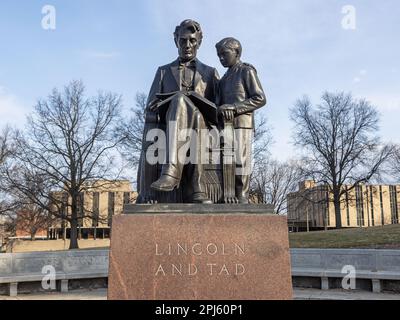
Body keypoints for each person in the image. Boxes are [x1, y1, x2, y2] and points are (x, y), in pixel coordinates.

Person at [136, 20, 219, 204]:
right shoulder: (163, 72)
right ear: (176, 41)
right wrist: (154, 105)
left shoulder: (210, 73)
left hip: (202, 126)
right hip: (169, 123)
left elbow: (217, 110)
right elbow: (150, 103)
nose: (187, 45)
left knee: (193, 112)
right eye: (182, 41)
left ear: (199, 42)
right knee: (179, 99)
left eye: (192, 41)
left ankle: (172, 172)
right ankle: (195, 188)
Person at [216, 37, 267, 204]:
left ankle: (242, 196)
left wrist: (235, 108)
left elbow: (260, 98)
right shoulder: (222, 79)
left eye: (224, 54)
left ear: (236, 52)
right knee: (226, 161)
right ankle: (229, 195)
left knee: (241, 161)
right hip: (225, 126)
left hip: (242, 125)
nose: (221, 58)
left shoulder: (246, 71)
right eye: (219, 55)